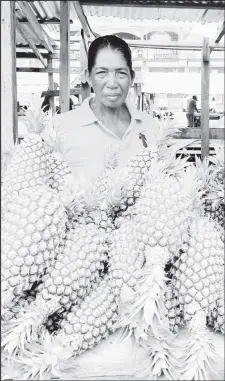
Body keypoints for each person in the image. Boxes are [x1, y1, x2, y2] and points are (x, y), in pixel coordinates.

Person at [54, 35, 159, 183]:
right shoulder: (59, 128)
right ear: (88, 77)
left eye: (121, 73)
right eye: (101, 73)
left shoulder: (151, 127)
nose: (112, 83)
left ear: (132, 77)